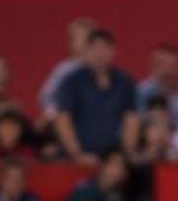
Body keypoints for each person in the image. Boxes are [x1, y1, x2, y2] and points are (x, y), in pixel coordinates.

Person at [53, 29, 139, 165]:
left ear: (113, 51)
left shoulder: (125, 82)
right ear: (86, 52)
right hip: (77, 161)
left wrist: (126, 153)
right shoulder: (71, 82)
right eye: (95, 48)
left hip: (114, 161)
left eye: (105, 48)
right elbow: (63, 120)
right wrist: (77, 155)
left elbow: (131, 120)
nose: (100, 54)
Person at [38, 17, 95, 117]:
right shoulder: (64, 69)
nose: (84, 41)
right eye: (79, 37)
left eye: (88, 37)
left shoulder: (101, 69)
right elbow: (46, 96)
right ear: (71, 43)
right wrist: (54, 115)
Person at [137, 43, 178, 129]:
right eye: (163, 65)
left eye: (173, 66)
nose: (168, 71)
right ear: (153, 67)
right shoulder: (141, 93)